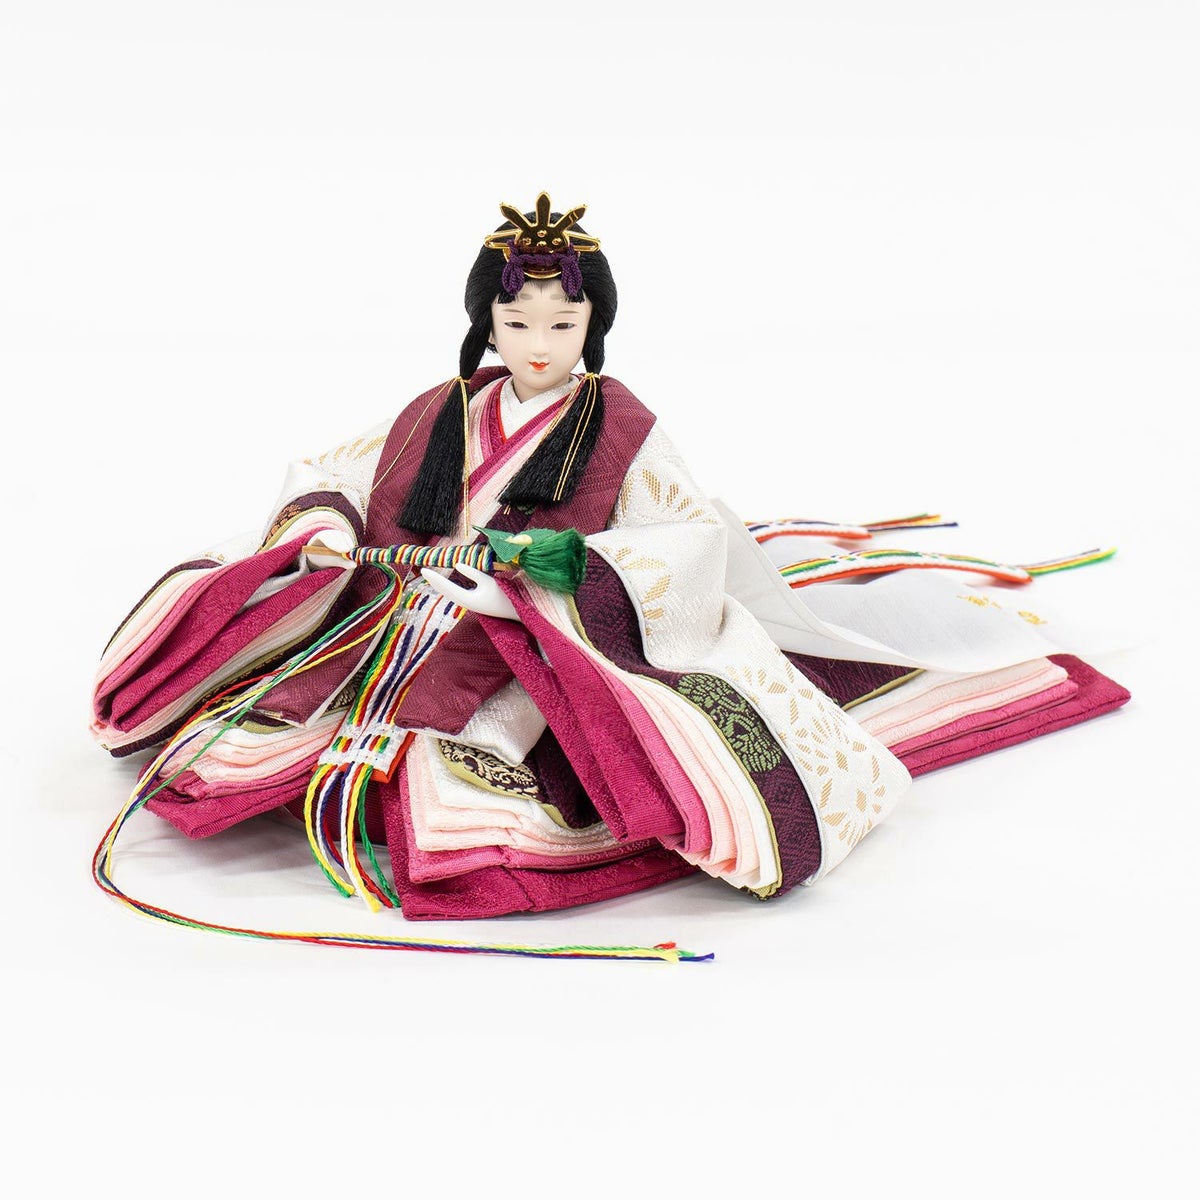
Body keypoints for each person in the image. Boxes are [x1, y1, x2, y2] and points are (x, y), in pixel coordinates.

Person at [91, 193, 1129, 942]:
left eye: (563, 322)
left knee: (471, 771)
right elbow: (330, 472)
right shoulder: (440, 409)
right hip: (393, 610)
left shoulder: (622, 428)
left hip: (525, 636)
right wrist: (320, 527)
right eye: (516, 323)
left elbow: (685, 546)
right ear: (486, 325)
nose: (538, 343)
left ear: (595, 325)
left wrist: (550, 571)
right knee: (251, 725)